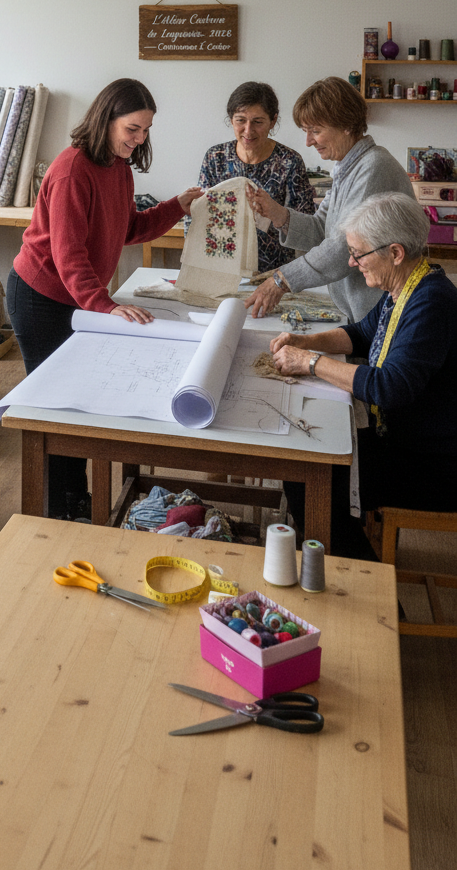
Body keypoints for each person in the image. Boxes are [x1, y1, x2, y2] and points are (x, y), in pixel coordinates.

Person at [6, 78, 203, 521]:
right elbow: (68, 254)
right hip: (40, 298)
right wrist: (106, 306)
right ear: (106, 118)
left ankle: (77, 503)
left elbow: (127, 228)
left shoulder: (118, 166)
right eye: (132, 129)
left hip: (72, 297)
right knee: (56, 411)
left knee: (76, 404)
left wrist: (178, 206)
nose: (139, 139)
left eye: (146, 130)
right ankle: (61, 512)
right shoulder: (72, 169)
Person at [269, 193, 457, 559]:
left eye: (359, 253)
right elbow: (360, 333)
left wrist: (310, 362)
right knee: (303, 457)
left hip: (435, 463)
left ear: (395, 252)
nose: (353, 263)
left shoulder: (431, 302)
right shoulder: (407, 284)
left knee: (310, 478)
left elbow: (390, 388)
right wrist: (304, 340)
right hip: (406, 440)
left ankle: (367, 593)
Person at [244, 75, 413, 322]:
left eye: (315, 130)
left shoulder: (374, 168)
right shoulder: (348, 168)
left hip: (380, 313)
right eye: (306, 131)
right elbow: (321, 228)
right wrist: (276, 213)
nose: (308, 141)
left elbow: (343, 247)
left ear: (345, 124)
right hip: (358, 312)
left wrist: (281, 280)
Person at [195, 81, 314, 273]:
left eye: (258, 122)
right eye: (240, 120)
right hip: (222, 268)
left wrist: (274, 212)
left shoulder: (289, 162)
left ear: (273, 121)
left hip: (274, 275)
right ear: (231, 119)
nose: (248, 130)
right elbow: (201, 215)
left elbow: (307, 228)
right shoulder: (215, 157)